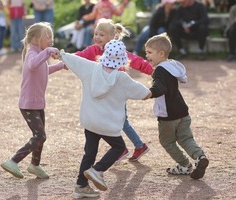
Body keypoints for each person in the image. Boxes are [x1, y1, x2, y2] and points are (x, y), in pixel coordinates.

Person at [59, 40, 152, 198]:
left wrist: (60, 54)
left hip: (89, 121)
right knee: (119, 148)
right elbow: (145, 94)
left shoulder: (90, 68)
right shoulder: (122, 78)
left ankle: (81, 186)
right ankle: (97, 170)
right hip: (108, 124)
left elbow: (74, 60)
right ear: (123, 59)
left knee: (89, 153)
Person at [75, 18, 153, 162]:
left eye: (102, 35)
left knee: (121, 121)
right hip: (105, 93)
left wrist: (153, 72)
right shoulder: (93, 49)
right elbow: (80, 57)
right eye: (96, 33)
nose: (97, 37)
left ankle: (134, 146)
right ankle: (127, 147)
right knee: (111, 120)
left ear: (112, 37)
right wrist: (66, 60)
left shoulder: (119, 50)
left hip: (117, 94)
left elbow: (137, 61)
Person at [1, 22, 66, 179]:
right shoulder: (32, 53)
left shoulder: (40, 55)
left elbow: (43, 70)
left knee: (40, 136)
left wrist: (60, 65)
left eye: (52, 36)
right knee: (40, 136)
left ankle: (34, 166)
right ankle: (13, 161)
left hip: (37, 104)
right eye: (48, 37)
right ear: (36, 39)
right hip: (28, 105)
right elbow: (32, 64)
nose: (51, 39)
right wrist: (49, 51)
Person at [144, 32, 209, 180]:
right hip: (182, 111)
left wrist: (148, 93)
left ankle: (184, 165)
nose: (146, 55)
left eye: (149, 52)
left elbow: (160, 88)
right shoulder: (172, 65)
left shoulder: (159, 70)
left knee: (167, 141)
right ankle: (200, 156)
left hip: (168, 115)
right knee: (186, 138)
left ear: (161, 53)